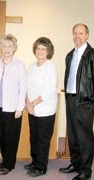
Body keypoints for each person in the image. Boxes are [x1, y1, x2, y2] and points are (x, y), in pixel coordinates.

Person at [59, 23, 94, 180]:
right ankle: (75, 164)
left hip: (85, 102)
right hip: (71, 100)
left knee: (84, 137)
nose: (77, 36)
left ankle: (86, 170)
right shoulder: (70, 55)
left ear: (87, 35)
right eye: (75, 33)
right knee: (72, 135)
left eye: (81, 33)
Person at [0, 34, 27, 175]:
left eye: (9, 46)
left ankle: (9, 165)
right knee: (2, 136)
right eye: (4, 46)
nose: (6, 49)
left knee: (11, 137)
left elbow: (23, 88)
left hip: (12, 108)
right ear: (1, 48)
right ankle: (6, 160)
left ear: (14, 48)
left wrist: (19, 108)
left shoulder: (19, 65)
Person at [24, 37, 58, 177]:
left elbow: (48, 90)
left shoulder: (50, 67)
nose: (40, 51)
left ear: (48, 51)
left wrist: (32, 104)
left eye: (43, 49)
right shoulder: (32, 65)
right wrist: (27, 102)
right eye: (38, 48)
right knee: (34, 137)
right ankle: (35, 161)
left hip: (45, 109)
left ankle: (41, 167)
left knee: (43, 139)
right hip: (32, 109)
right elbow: (26, 85)